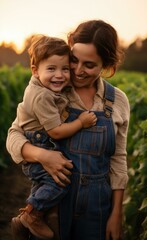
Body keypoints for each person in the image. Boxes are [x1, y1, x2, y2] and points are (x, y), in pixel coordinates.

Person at [6, 19, 130, 240]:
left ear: (106, 64)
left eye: (89, 65)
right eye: (74, 60)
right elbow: (14, 135)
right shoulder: (52, 89)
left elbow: (118, 158)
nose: (78, 71)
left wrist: (116, 213)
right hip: (54, 206)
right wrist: (43, 155)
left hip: (97, 207)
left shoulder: (117, 101)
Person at [9, 35, 97, 240]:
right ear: (35, 70)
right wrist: (80, 123)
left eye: (65, 69)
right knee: (59, 184)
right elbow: (56, 132)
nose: (60, 75)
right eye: (51, 69)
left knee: (46, 186)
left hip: (45, 147)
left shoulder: (51, 89)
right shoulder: (43, 95)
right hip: (40, 143)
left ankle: (28, 218)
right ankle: (31, 216)